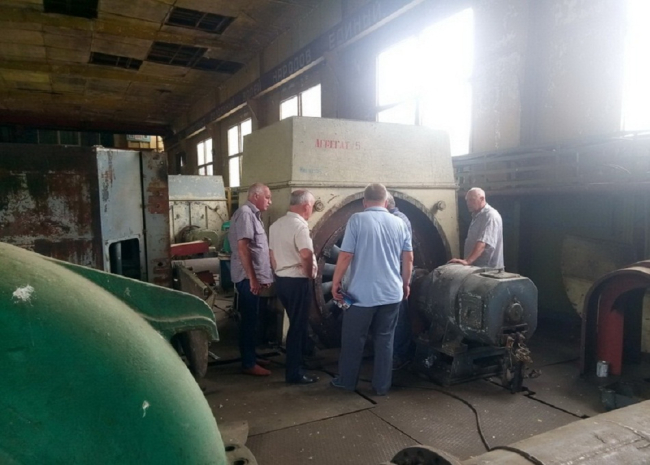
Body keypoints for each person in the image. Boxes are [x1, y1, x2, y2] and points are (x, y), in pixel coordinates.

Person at [330, 184, 413, 396]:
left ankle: (347, 382)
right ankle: (381, 387)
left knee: (353, 340)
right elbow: (408, 258)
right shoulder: (400, 223)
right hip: (392, 294)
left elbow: (345, 255)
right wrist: (405, 283)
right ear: (386, 202)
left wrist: (336, 282)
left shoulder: (357, 220)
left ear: (364, 202)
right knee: (385, 340)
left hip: (361, 296)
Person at [269, 189, 320, 385]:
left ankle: (299, 360)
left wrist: (279, 270)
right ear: (306, 206)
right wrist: (308, 274)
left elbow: (271, 255)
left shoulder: (276, 225)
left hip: (282, 280)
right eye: (312, 206)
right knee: (297, 327)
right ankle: (294, 373)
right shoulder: (300, 227)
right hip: (297, 281)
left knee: (295, 323)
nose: (312, 210)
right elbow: (306, 254)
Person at [229, 183, 274, 376]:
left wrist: (263, 276)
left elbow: (257, 249)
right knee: (248, 320)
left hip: (252, 277)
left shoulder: (253, 215)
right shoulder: (246, 214)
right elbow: (243, 248)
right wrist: (253, 279)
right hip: (247, 278)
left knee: (253, 319)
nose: (270, 202)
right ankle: (248, 363)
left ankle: (252, 356)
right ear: (256, 196)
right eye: (267, 197)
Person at [386, 193, 414, 371]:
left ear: (386, 203)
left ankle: (401, 355)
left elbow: (407, 255)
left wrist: (406, 282)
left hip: (397, 275)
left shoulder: (398, 220)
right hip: (393, 274)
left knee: (399, 317)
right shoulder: (396, 219)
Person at [449, 187, 503, 269]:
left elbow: (483, 243)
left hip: (488, 270)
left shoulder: (490, 216)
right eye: (467, 200)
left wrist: (467, 261)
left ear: (482, 199)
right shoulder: (477, 216)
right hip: (477, 267)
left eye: (472, 200)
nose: (468, 203)